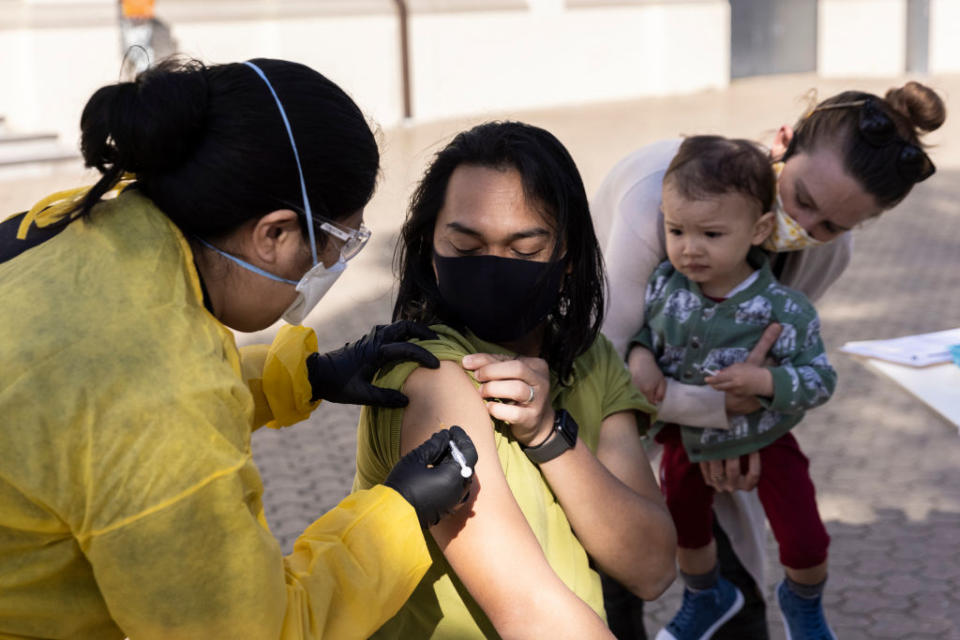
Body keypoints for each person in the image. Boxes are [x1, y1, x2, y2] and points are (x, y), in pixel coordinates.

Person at [0, 58, 479, 639]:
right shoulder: (164, 400)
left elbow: (81, 405)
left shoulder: (71, 227)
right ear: (274, 233)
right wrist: (400, 513)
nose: (331, 267)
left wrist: (308, 378)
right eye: (334, 244)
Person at [593, 81, 945, 638]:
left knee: (738, 586)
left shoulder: (831, 252)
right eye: (802, 199)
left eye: (832, 224)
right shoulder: (655, 197)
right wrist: (713, 413)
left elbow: (781, 360)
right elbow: (607, 366)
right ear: (782, 143)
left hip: (712, 418)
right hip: (604, 394)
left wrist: (739, 429)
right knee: (611, 568)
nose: (806, 228)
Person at [352, 121, 678, 639]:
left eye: (524, 250)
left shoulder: (589, 361)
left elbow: (653, 566)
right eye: (464, 246)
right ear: (429, 251)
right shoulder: (428, 375)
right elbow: (528, 610)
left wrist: (548, 434)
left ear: (567, 256)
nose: (494, 268)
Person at [630, 136, 837, 639]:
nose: (689, 248)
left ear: (760, 229)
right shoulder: (663, 285)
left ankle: (804, 602)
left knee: (805, 540)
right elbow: (646, 333)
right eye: (676, 230)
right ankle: (707, 594)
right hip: (686, 440)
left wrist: (766, 381)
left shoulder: (785, 310)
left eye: (711, 233)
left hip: (767, 439)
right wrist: (639, 355)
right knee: (685, 527)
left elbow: (820, 379)